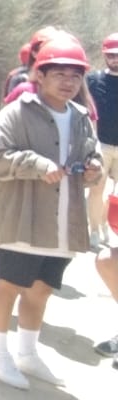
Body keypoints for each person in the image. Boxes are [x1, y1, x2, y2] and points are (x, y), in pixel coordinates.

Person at [0, 35, 101, 389]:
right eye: (60, 74)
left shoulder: (81, 117)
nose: (69, 82)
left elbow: (91, 152)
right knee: (9, 285)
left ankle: (28, 353)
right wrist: (36, 164)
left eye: (75, 76)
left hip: (64, 221)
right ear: (40, 75)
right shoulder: (16, 112)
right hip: (24, 215)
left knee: (41, 289)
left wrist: (94, 166)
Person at [85, 33, 118, 250]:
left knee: (113, 193)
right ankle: (94, 230)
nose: (115, 58)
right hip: (101, 144)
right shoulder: (93, 80)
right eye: (111, 55)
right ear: (104, 55)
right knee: (96, 189)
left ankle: (106, 222)